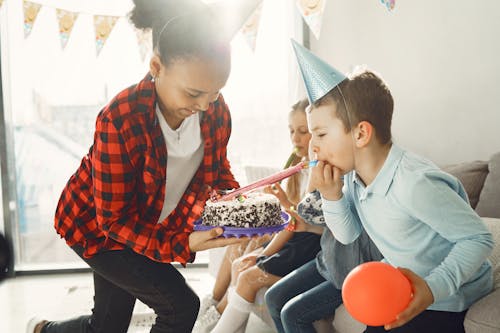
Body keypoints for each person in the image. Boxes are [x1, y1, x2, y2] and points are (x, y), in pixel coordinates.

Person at [26, 1, 250, 332]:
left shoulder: (216, 112)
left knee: (106, 326)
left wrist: (237, 199)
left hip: (145, 225)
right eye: (194, 93)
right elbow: (114, 221)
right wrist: (182, 244)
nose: (205, 104)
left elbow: (215, 171)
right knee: (180, 306)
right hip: (97, 228)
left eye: (216, 92)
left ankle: (43, 330)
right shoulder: (121, 118)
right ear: (157, 67)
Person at [292, 41, 494, 333]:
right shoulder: (352, 177)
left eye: (320, 134)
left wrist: (433, 287)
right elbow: (348, 235)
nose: (312, 146)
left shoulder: (414, 183)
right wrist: (331, 195)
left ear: (361, 133)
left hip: (449, 296)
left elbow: (478, 240)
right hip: (401, 285)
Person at [193, 98, 323, 333]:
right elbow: (291, 214)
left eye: (304, 131)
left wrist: (263, 253)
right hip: (293, 235)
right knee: (237, 247)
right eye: (292, 131)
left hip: (304, 243)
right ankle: (213, 304)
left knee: (244, 267)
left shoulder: (316, 171)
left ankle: (220, 314)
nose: (295, 138)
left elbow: (297, 222)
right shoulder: (298, 167)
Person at [264, 172, 383, 333]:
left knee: (292, 314)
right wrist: (308, 227)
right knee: (273, 298)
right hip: (328, 261)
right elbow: (330, 226)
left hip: (352, 272)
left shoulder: (362, 185)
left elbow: (348, 233)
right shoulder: (333, 176)